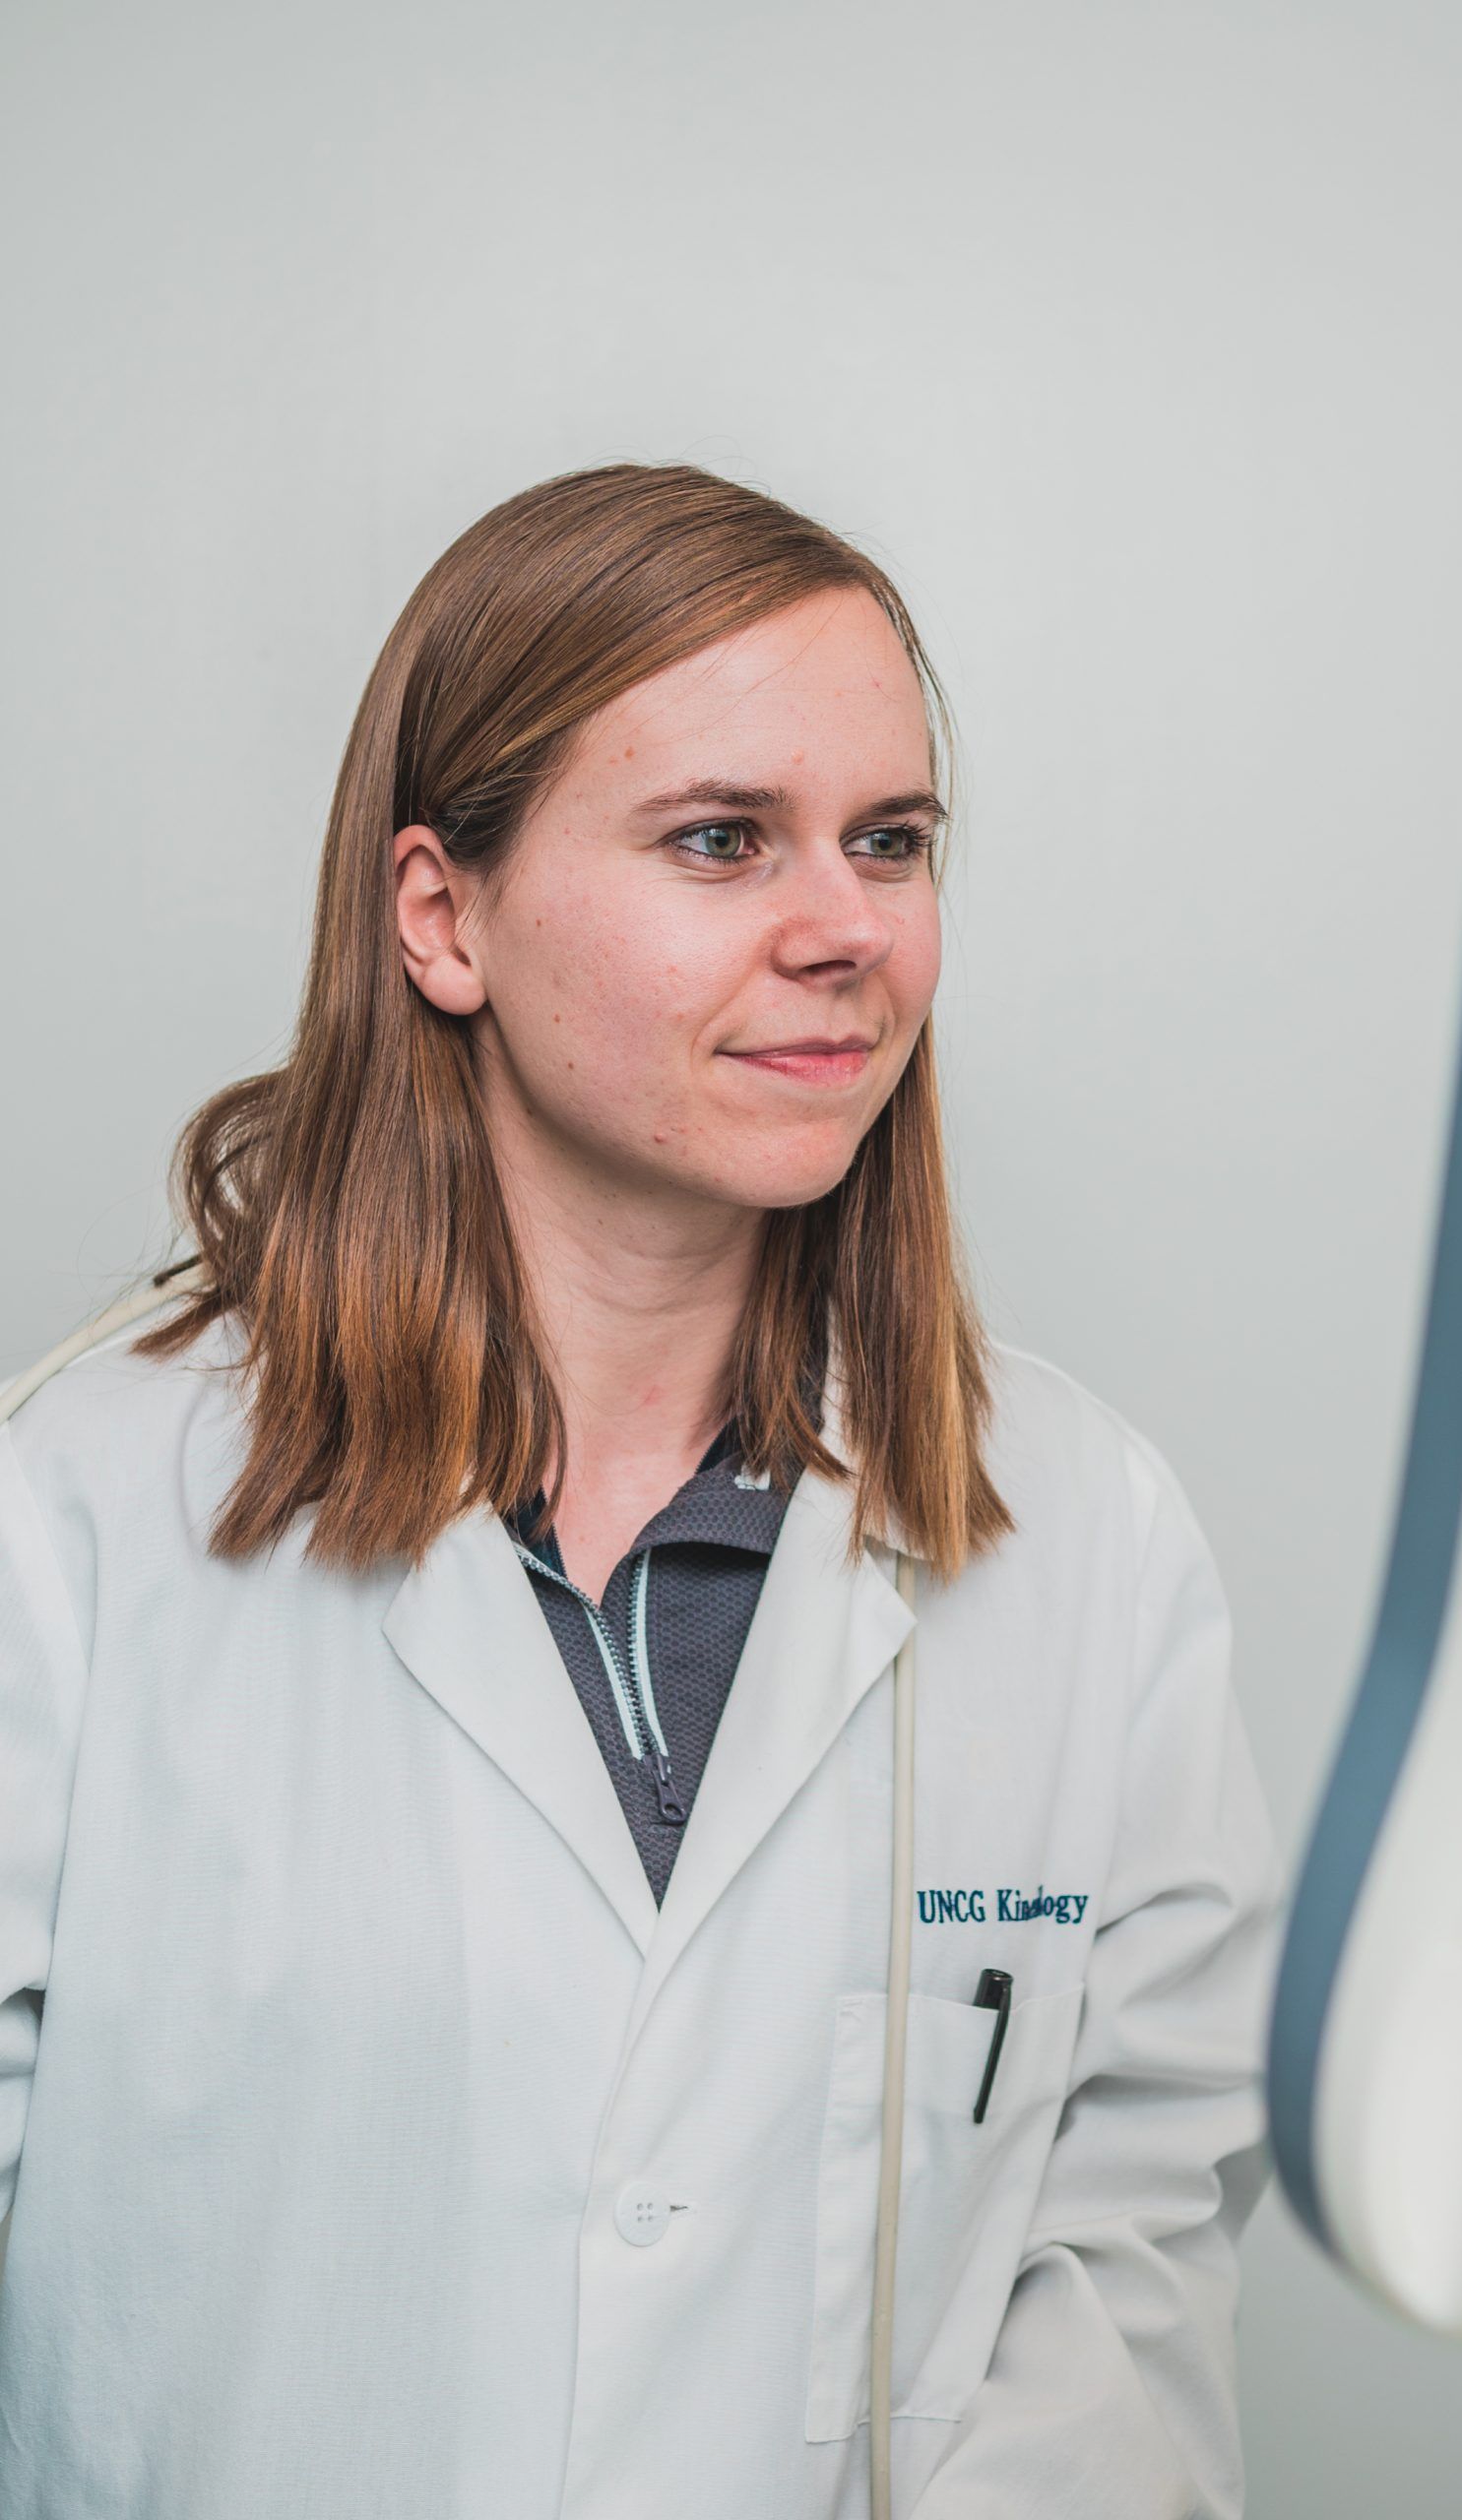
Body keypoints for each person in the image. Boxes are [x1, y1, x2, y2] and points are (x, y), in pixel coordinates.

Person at [0, 462, 1282, 2518]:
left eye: (889, 840)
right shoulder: (76, 1518)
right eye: (719, 840)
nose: (843, 927)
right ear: (445, 915)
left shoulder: (1084, 1533)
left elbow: (1122, 2260)